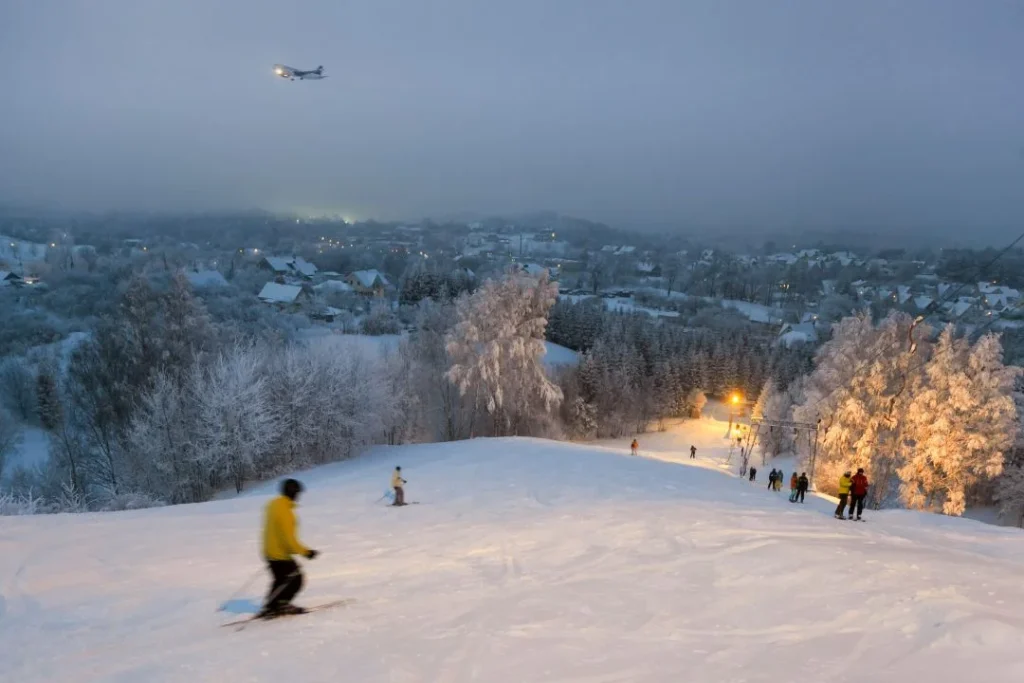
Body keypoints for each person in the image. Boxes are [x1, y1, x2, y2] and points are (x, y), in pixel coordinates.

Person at [261, 478, 318, 617]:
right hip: (279, 553)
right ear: (293, 493)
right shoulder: (286, 512)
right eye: (297, 493)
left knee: (281, 580)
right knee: (296, 579)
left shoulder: (274, 504)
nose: (299, 496)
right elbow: (289, 539)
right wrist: (306, 552)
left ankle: (272, 606)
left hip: (269, 551)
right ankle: (279, 606)